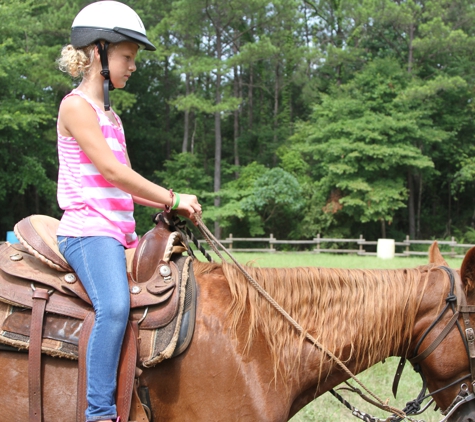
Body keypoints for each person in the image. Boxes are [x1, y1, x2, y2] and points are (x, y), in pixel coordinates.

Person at [56, 2, 202, 421]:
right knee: (116, 307)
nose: (133, 66)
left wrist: (171, 206)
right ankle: (99, 413)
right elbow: (111, 171)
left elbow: (127, 182)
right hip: (87, 232)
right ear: (98, 52)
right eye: (127, 57)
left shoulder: (112, 117)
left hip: (120, 233)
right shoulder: (76, 108)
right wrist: (172, 196)